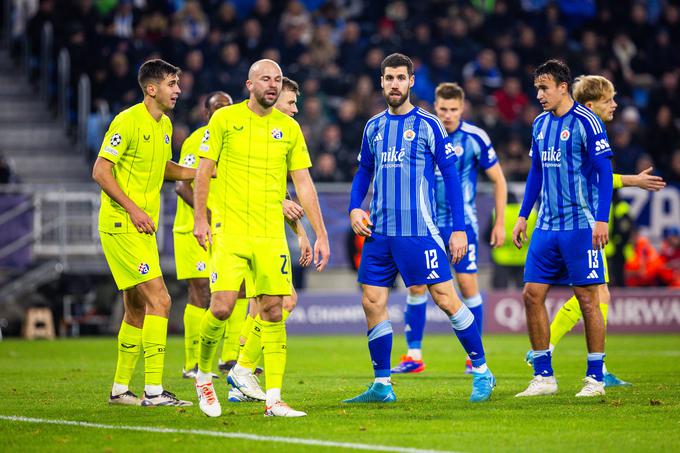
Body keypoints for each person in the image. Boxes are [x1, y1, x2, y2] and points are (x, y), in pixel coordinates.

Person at [345, 53, 495, 404]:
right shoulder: (373, 127)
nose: (394, 84)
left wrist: (458, 229)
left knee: (445, 298)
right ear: (381, 82)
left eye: (401, 77)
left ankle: (482, 370)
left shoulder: (429, 124)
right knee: (372, 301)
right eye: (388, 78)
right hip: (379, 232)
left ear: (411, 81)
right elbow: (363, 172)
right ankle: (382, 384)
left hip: (419, 231)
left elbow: (453, 180)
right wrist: (355, 207)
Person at [192, 59, 330, 418]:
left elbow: (304, 185)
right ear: (249, 84)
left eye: (278, 79)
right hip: (231, 231)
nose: (273, 84)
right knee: (221, 307)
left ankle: (273, 399)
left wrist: (320, 234)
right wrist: (199, 219)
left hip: (269, 235)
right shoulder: (225, 120)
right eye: (266, 79)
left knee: (273, 309)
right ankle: (204, 377)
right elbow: (203, 171)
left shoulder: (290, 128)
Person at [524, 74, 666, 386]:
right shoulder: (578, 126)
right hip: (578, 225)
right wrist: (631, 181)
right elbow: (594, 177)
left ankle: (588, 364)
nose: (615, 105)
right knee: (593, 295)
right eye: (609, 100)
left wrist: (632, 180)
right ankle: (551, 351)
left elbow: (597, 176)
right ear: (590, 104)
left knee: (599, 294)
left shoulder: (589, 130)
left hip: (581, 225)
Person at [93, 59, 193, 407]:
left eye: (177, 83)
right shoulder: (127, 120)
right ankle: (153, 391)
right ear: (152, 89)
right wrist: (133, 209)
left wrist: (203, 172)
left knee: (135, 308)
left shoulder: (165, 124)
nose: (178, 89)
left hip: (142, 229)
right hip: (122, 225)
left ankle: (121, 389)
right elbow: (101, 171)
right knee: (161, 300)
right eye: (171, 83)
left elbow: (164, 167)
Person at [513, 60, 614, 398]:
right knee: (531, 294)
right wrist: (523, 216)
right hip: (546, 225)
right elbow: (536, 173)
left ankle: (595, 379)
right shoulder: (540, 125)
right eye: (537, 88)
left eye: (544, 88)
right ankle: (544, 377)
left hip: (580, 225)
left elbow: (603, 172)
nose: (539, 95)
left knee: (588, 300)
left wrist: (602, 219)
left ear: (562, 87)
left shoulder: (588, 122)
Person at [391, 82, 507, 375]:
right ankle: (414, 355)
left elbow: (499, 180)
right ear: (436, 106)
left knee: (467, 286)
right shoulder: (424, 131)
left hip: (461, 223)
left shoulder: (474, 137)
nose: (448, 115)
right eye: (443, 109)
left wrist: (501, 221)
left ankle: (473, 358)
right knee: (417, 285)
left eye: (454, 109)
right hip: (425, 223)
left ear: (462, 108)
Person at [227, 76, 314, 403]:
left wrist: (303, 234)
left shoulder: (280, 138)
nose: (294, 108)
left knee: (260, 306)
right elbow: (241, 184)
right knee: (282, 301)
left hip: (267, 234)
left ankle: (240, 380)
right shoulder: (246, 131)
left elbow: (282, 194)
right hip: (245, 234)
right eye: (290, 102)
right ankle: (241, 369)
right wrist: (278, 204)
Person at [173, 91, 234, 380]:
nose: (223, 112)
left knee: (235, 289)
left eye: (228, 108)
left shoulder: (235, 140)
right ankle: (192, 363)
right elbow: (181, 186)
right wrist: (206, 218)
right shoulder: (196, 141)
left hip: (226, 231)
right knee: (201, 290)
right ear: (207, 114)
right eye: (218, 108)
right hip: (192, 229)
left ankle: (230, 358)